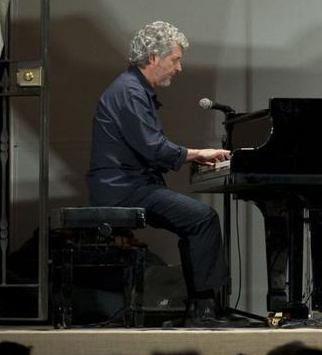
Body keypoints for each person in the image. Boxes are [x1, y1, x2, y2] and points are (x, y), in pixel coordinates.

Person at [86, 21, 232, 325]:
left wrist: (189, 157)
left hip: (128, 185)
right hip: (123, 189)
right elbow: (153, 147)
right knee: (203, 219)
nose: (179, 68)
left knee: (194, 222)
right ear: (153, 57)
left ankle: (199, 308)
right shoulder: (129, 91)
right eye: (175, 59)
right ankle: (204, 310)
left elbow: (150, 147)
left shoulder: (132, 89)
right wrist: (196, 153)